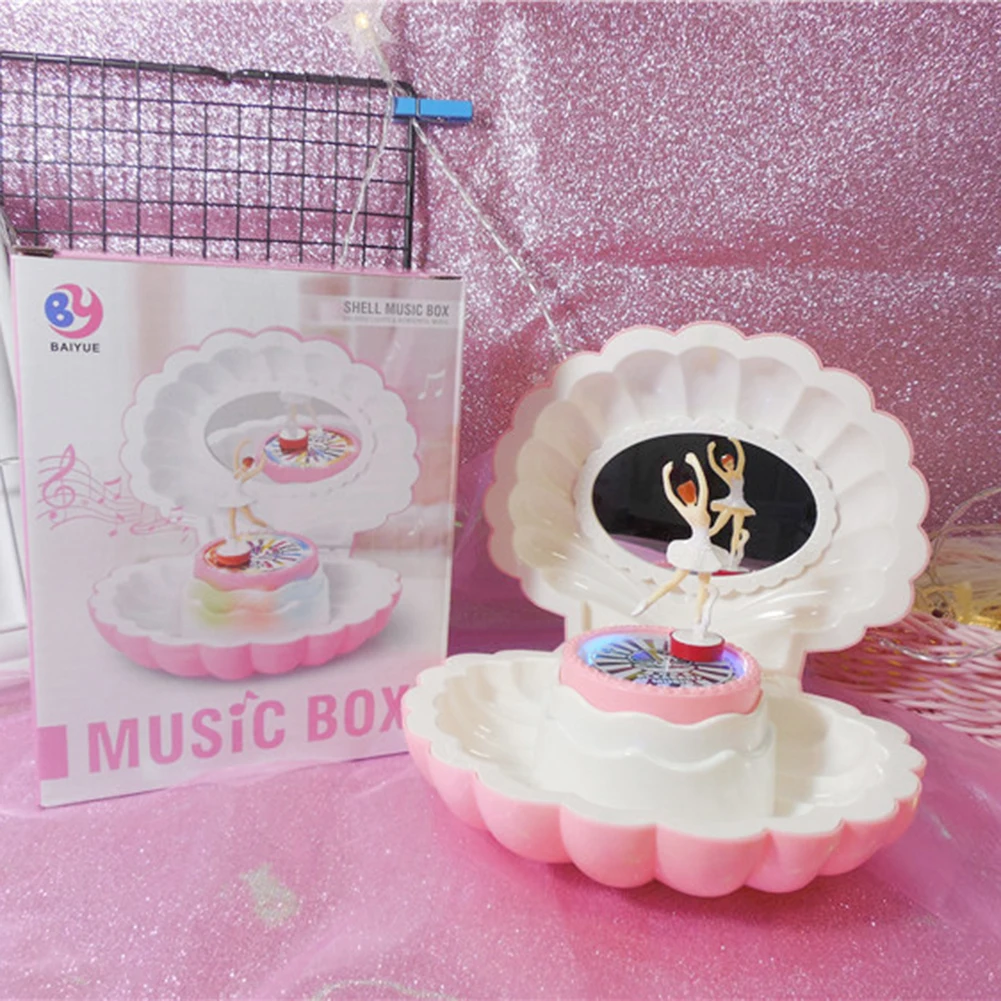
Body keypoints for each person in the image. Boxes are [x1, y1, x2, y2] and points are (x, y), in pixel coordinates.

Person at [632, 451, 729, 621]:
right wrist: (695, 464)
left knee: (674, 581)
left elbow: (670, 496)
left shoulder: (685, 510)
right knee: (703, 587)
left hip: (693, 548)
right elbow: (704, 486)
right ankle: (697, 618)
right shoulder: (700, 510)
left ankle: (647, 601)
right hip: (703, 552)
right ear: (695, 494)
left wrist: (665, 475)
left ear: (683, 498)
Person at [707, 437, 755, 566]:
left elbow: (742, 458)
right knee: (716, 527)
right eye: (728, 465)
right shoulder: (726, 475)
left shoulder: (738, 472)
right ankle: (701, 542)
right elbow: (714, 466)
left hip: (739, 504)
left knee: (736, 532)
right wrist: (710, 451)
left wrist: (736, 443)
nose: (731, 466)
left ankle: (732, 558)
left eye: (731, 463)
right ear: (724, 466)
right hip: (731, 503)